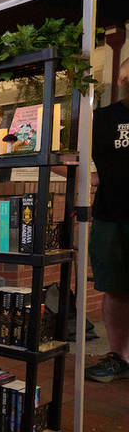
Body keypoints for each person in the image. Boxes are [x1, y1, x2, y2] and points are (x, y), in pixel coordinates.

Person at [86, 59, 129, 382]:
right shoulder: (104, 118)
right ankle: (119, 356)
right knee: (115, 289)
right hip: (111, 217)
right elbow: (86, 165)